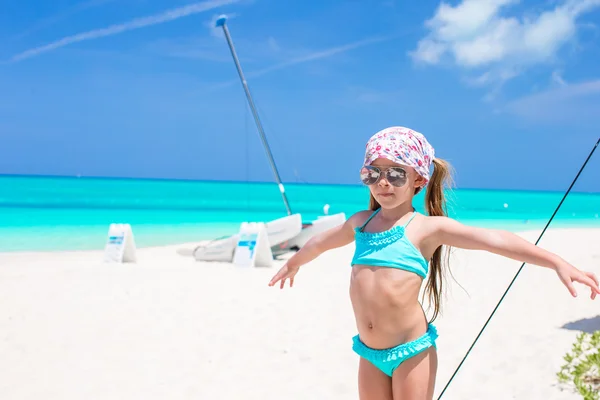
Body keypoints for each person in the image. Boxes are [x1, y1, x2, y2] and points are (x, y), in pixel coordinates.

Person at [268, 126, 600, 400]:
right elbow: (321, 242)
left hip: (411, 352)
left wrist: (555, 261)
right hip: (368, 352)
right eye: (374, 172)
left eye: (397, 174)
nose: (384, 182)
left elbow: (495, 240)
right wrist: (295, 261)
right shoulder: (361, 222)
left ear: (418, 180)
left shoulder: (426, 228)